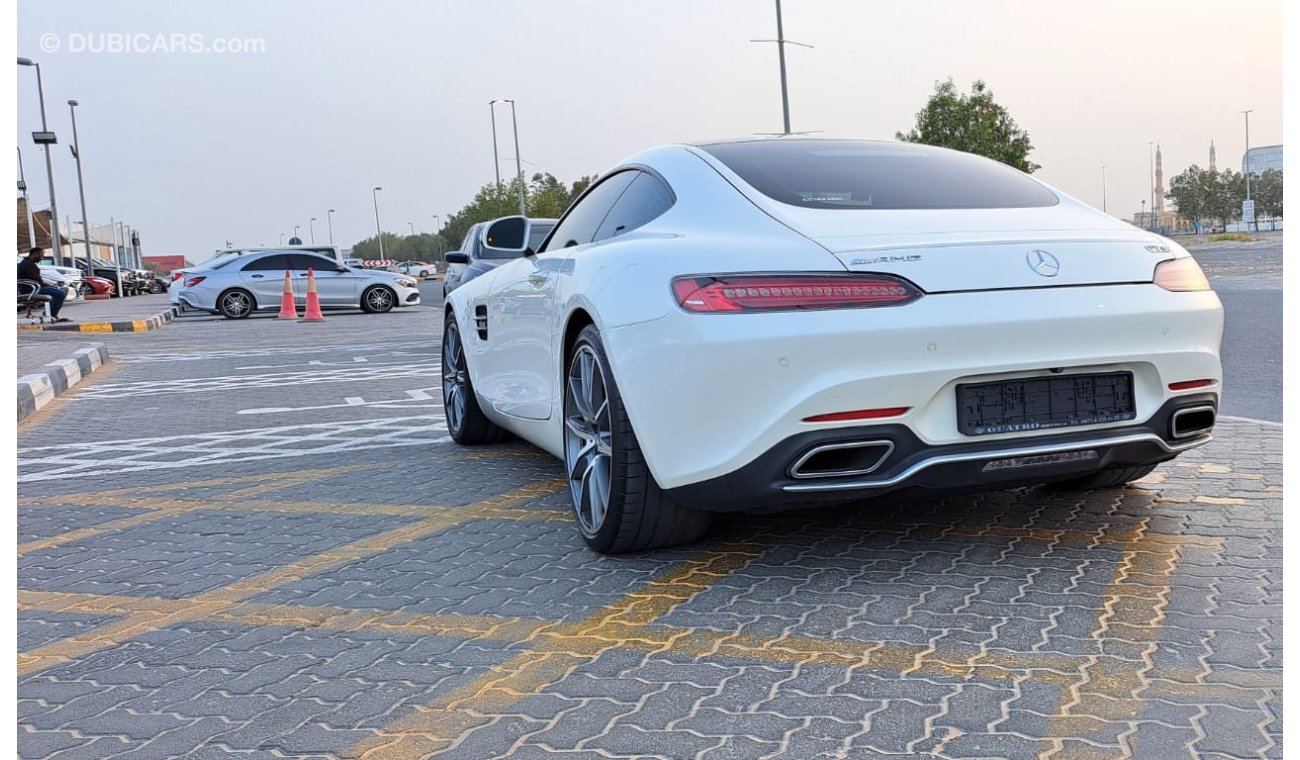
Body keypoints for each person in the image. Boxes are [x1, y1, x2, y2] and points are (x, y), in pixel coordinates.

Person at [18, 247, 71, 322]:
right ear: (36, 254)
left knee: (62, 290)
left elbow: (36, 279)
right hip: (32, 289)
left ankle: (51, 313)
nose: (42, 258)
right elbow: (36, 279)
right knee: (60, 293)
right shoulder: (27, 264)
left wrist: (49, 285)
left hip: (35, 287)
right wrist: (48, 285)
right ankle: (51, 314)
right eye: (42, 255)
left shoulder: (29, 263)